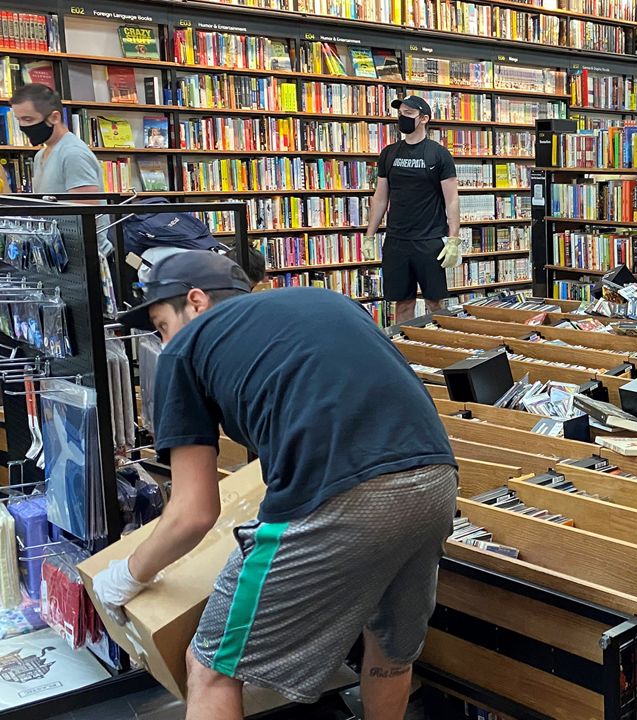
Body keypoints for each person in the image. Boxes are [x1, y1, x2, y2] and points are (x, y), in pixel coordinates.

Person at [94, 252, 459, 720]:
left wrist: (126, 576)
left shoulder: (184, 353)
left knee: (210, 667)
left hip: (339, 497)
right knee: (391, 649)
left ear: (196, 300)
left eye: (162, 325)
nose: (163, 340)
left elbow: (193, 513)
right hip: (434, 480)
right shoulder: (328, 301)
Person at [365, 95, 463, 323]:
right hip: (397, 240)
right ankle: (403, 353)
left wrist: (453, 239)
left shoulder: (439, 154)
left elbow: (452, 200)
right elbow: (380, 198)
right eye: (400, 113)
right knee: (402, 303)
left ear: (424, 119)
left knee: (435, 303)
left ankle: (439, 351)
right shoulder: (389, 153)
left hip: (429, 240)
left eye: (409, 114)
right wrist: (369, 236)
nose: (402, 118)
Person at [10, 83, 111, 254]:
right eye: (18, 120)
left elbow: (85, 217)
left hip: (84, 255)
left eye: (28, 119)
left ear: (54, 117)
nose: (23, 126)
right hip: (58, 251)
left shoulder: (73, 154)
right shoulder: (40, 155)